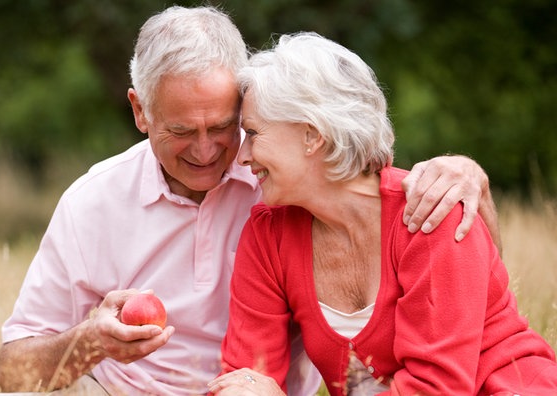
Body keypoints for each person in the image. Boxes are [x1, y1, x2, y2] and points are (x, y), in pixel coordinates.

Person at [0, 7, 499, 396]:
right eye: (180, 130)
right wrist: (89, 342)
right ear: (140, 111)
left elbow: (394, 203)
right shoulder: (92, 203)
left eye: (225, 126)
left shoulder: (283, 185)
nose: (207, 149)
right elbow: (12, 370)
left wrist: (472, 175)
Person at [208, 32, 557, 396]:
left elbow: (436, 389)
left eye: (253, 133)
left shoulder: (430, 214)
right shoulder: (268, 234)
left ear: (311, 135)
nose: (242, 156)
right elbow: (245, 378)